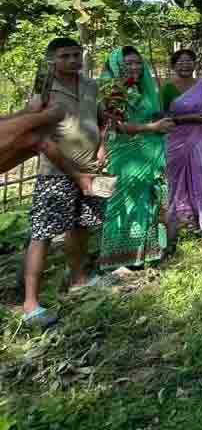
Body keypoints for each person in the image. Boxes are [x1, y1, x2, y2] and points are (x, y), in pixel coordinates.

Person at [21, 38, 109, 328]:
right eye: (65, 56)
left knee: (82, 225)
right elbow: (40, 140)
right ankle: (30, 303)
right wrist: (76, 175)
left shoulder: (90, 86)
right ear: (53, 61)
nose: (73, 60)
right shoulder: (42, 95)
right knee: (42, 232)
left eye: (76, 54)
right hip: (56, 173)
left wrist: (101, 147)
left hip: (90, 169)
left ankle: (78, 279)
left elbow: (100, 120)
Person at [98, 46, 176, 270]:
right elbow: (116, 125)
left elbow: (152, 114)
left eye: (138, 63)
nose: (135, 67)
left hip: (150, 151)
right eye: (128, 63)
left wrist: (160, 124)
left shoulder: (145, 88)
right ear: (116, 66)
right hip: (126, 154)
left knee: (149, 201)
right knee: (124, 203)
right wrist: (153, 126)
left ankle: (146, 253)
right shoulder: (112, 90)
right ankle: (118, 258)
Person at [160, 49, 202, 242]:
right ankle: (182, 219)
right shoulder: (167, 89)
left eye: (189, 61)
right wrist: (190, 118)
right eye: (180, 62)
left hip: (201, 140)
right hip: (176, 141)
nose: (185, 65)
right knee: (176, 180)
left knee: (201, 177)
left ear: (194, 64)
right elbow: (162, 118)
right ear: (174, 66)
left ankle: (201, 217)